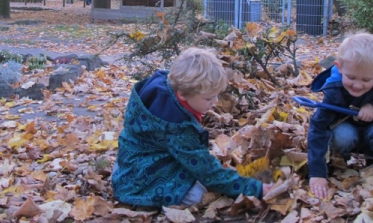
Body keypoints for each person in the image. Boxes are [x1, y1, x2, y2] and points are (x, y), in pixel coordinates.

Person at [112, 47, 272, 207]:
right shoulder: (176, 125)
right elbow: (208, 173)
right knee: (198, 195)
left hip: (133, 156)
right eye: (208, 98)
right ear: (182, 94)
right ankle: (135, 186)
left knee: (192, 170)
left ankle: (124, 170)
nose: (215, 102)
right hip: (139, 178)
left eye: (216, 95)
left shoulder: (165, 90)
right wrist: (255, 188)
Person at [307, 33, 373, 199]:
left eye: (366, 79)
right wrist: (317, 173)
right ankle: (342, 158)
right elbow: (318, 128)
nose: (358, 85)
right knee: (343, 136)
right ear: (339, 68)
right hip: (346, 131)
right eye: (351, 77)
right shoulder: (334, 90)